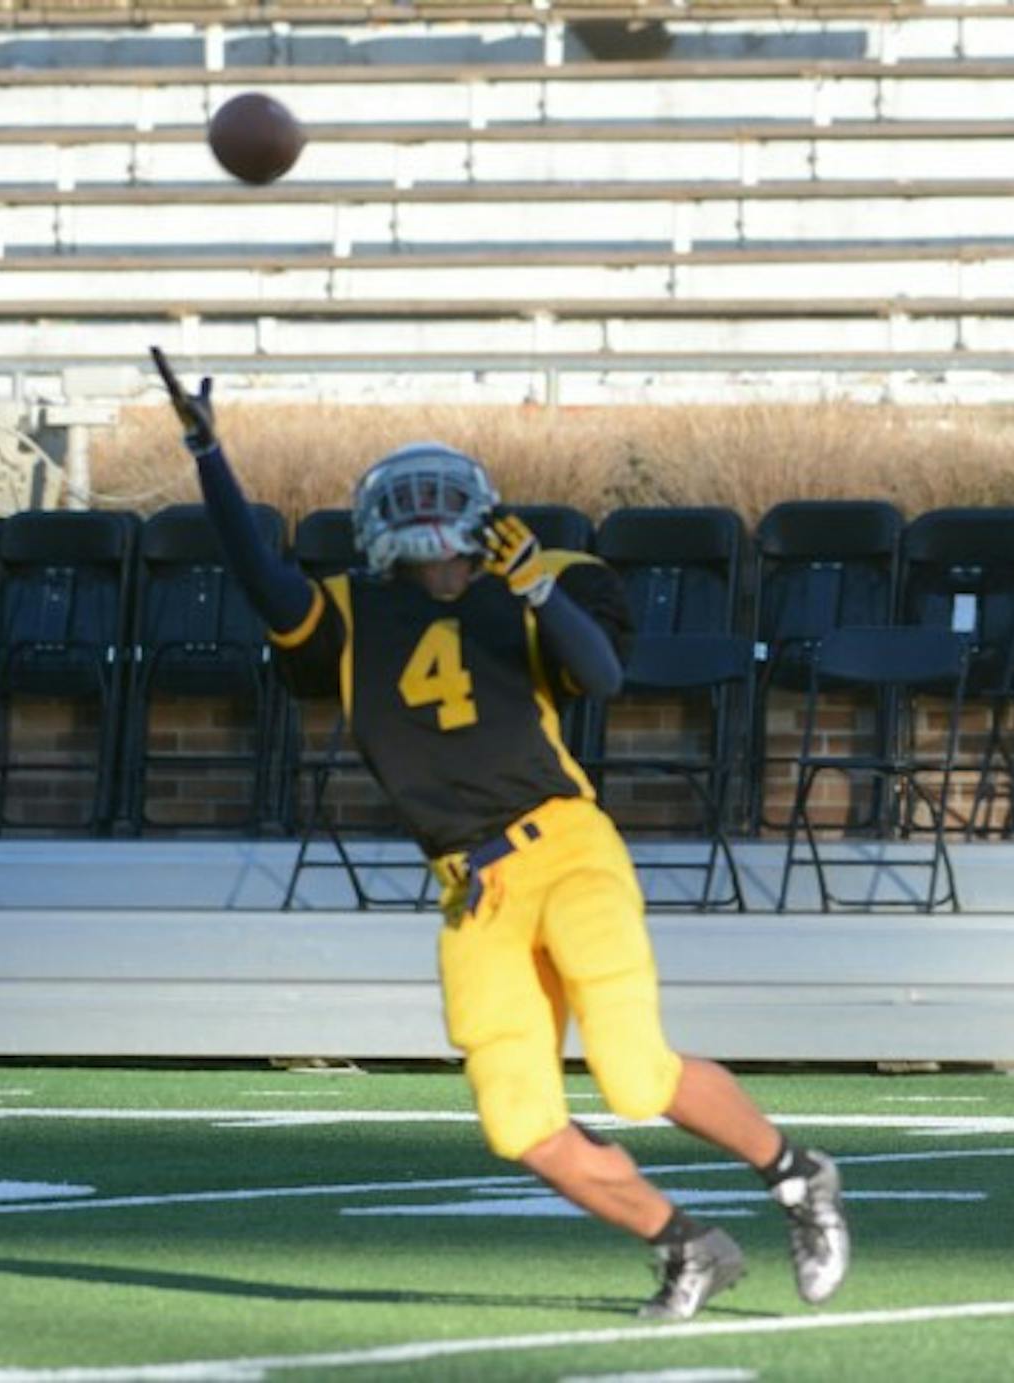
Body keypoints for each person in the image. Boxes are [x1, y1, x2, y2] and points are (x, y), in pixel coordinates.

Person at [155, 358, 848, 1322]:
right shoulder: (353, 612)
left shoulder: (548, 580)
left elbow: (602, 677)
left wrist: (533, 589)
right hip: (471, 890)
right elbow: (259, 573)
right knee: (519, 1122)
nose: (430, 527)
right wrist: (207, 453)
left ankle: (795, 1173)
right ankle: (684, 1245)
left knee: (634, 1070)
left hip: (565, 848)